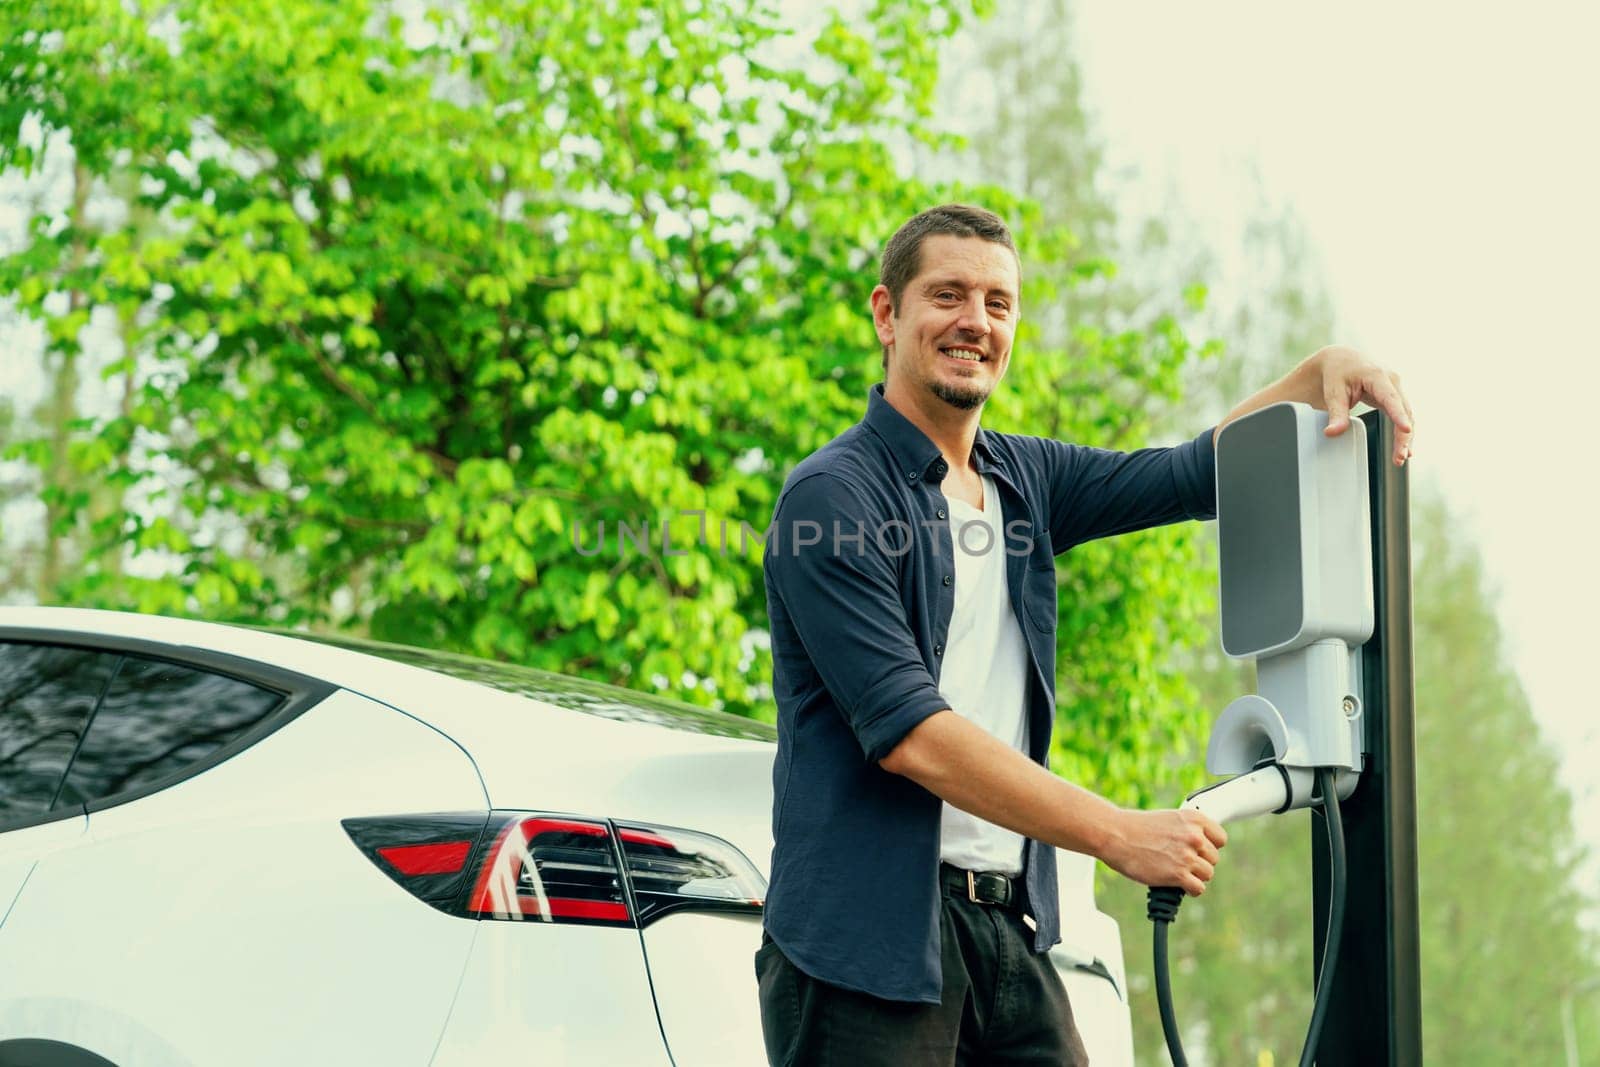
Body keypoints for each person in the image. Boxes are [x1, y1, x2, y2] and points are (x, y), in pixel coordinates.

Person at [756, 203, 1414, 1065]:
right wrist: (1116, 831)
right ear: (888, 314)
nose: (975, 322)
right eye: (947, 295)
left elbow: (1185, 473)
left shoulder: (1024, 478)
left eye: (998, 302)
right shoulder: (832, 500)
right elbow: (912, 733)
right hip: (862, 950)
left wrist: (1318, 371)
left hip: (1006, 933)